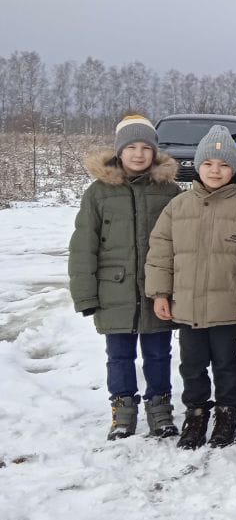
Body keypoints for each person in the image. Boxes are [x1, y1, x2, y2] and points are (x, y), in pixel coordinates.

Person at [145, 125, 236, 450]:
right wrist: (159, 293)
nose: (216, 170)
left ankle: (227, 416)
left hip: (228, 308)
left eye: (224, 165)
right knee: (192, 367)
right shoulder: (179, 206)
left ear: (233, 169)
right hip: (187, 307)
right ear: (198, 167)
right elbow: (160, 252)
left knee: (227, 366)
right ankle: (196, 416)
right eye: (209, 164)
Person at [69, 115, 182, 440]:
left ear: (154, 152)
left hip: (156, 291)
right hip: (113, 291)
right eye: (131, 147)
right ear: (119, 151)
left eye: (145, 147)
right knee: (119, 355)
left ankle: (160, 408)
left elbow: (180, 243)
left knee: (159, 353)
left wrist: (178, 289)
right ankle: (123, 409)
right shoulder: (98, 193)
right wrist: (86, 295)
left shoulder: (168, 190)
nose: (138, 154)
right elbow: (83, 246)